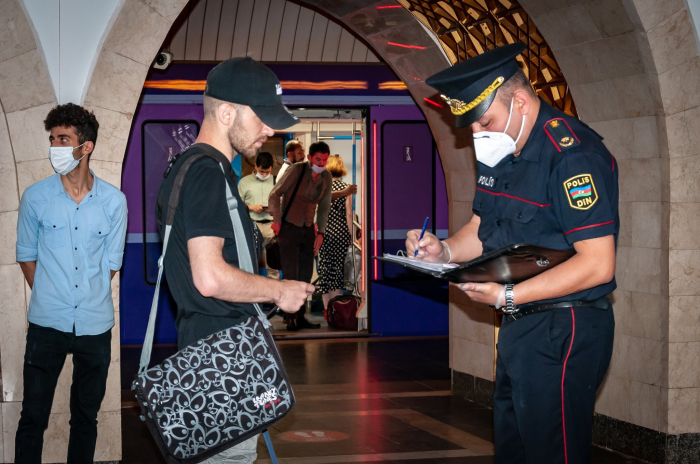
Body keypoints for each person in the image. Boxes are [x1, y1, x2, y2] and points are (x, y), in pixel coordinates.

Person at [407, 43, 618, 464]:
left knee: (551, 451)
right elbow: (483, 228)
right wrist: (443, 249)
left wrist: (507, 297)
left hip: (565, 324)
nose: (479, 134)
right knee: (514, 446)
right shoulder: (504, 149)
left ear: (520, 100)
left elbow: (597, 263)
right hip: (521, 323)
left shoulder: (572, 156)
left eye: (485, 121)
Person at [155, 57, 313, 463]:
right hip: (222, 366)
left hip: (207, 355)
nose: (270, 130)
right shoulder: (208, 174)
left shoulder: (192, 168)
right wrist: (280, 289)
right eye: (261, 118)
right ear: (226, 113)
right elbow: (209, 277)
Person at [14, 103, 128, 464]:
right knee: (32, 417)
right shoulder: (36, 197)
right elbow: (26, 255)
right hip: (47, 322)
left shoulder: (114, 201)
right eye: (52, 139)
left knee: (86, 417)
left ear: (86, 146)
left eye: (64, 139)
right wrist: (52, 291)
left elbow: (111, 263)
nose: (55, 148)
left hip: (95, 325)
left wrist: (85, 293)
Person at [268, 142, 332, 331]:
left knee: (305, 275)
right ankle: (290, 317)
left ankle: (301, 315)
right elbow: (275, 194)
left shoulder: (326, 177)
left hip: (308, 230)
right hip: (289, 227)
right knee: (290, 274)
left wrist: (321, 232)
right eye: (318, 159)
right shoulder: (296, 171)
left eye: (324, 160)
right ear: (310, 158)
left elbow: (325, 206)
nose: (321, 163)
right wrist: (277, 221)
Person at [317, 155, 353, 310]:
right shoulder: (346, 188)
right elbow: (349, 214)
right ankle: (337, 311)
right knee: (338, 270)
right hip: (340, 233)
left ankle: (327, 311)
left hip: (324, 233)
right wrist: (352, 236)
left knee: (325, 271)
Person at [238, 151, 279, 279]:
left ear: (271, 168)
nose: (264, 175)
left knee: (272, 262)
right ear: (256, 166)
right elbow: (237, 205)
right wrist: (251, 207)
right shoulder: (244, 182)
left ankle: (273, 292)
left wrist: (274, 210)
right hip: (252, 224)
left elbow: (283, 203)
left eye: (267, 172)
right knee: (250, 259)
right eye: (262, 172)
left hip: (270, 226)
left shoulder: (277, 181)